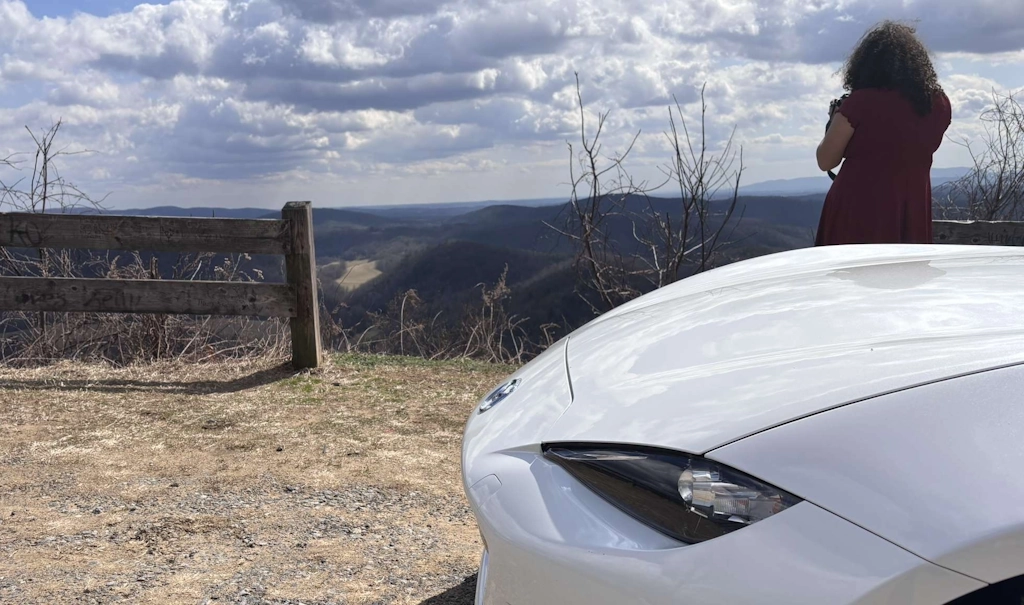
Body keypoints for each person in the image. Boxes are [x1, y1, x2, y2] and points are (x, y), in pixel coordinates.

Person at [814, 20, 952, 246]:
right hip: (912, 206)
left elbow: (826, 160)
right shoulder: (938, 104)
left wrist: (834, 118)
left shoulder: (859, 103)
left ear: (865, 64)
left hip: (857, 208)